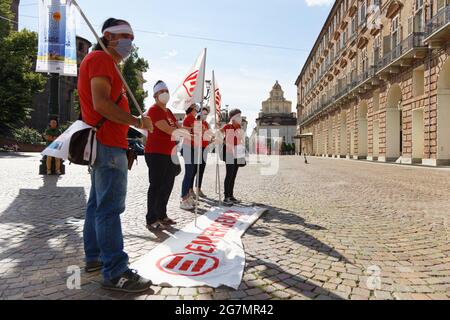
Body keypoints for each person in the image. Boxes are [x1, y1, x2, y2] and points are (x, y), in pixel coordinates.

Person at [78, 18, 153, 293]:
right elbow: (102, 104)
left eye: (131, 38)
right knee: (109, 209)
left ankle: (95, 257)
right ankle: (116, 272)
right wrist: (136, 121)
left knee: (97, 206)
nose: (128, 43)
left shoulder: (101, 61)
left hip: (106, 143)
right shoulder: (101, 60)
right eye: (124, 36)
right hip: (108, 144)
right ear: (108, 36)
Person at [145, 81, 189, 230]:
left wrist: (194, 130)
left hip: (170, 153)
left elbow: (178, 126)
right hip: (156, 153)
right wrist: (184, 132)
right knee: (156, 186)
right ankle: (151, 218)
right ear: (155, 95)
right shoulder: (154, 110)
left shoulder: (168, 112)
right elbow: (169, 130)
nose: (165, 93)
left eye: (166, 90)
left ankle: (162, 215)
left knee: (167, 186)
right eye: (161, 91)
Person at [180, 106, 212, 210]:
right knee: (189, 173)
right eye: (195, 108)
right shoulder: (189, 117)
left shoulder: (193, 119)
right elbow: (186, 130)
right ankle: (184, 198)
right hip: (188, 147)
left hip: (193, 147)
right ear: (191, 109)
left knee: (191, 172)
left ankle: (188, 197)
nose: (197, 109)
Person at [221, 109, 245, 205]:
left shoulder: (239, 126)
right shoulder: (228, 126)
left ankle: (231, 195)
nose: (240, 118)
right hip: (229, 153)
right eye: (238, 116)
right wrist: (223, 142)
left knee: (233, 175)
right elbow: (218, 134)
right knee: (229, 175)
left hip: (238, 153)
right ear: (234, 118)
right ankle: (226, 197)